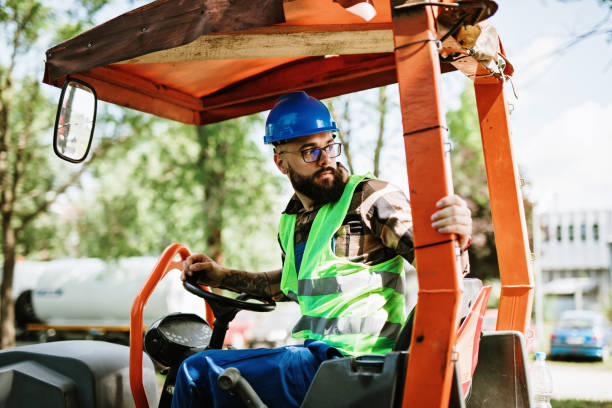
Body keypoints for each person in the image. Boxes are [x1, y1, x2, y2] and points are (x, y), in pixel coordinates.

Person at [171, 91, 472, 408]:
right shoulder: (293, 221)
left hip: (355, 365)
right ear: (280, 163)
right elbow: (289, 287)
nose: (326, 158)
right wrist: (221, 277)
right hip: (319, 361)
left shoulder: (369, 198)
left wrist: (456, 235)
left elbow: (443, 269)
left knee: (196, 371)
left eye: (329, 145)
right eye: (309, 152)